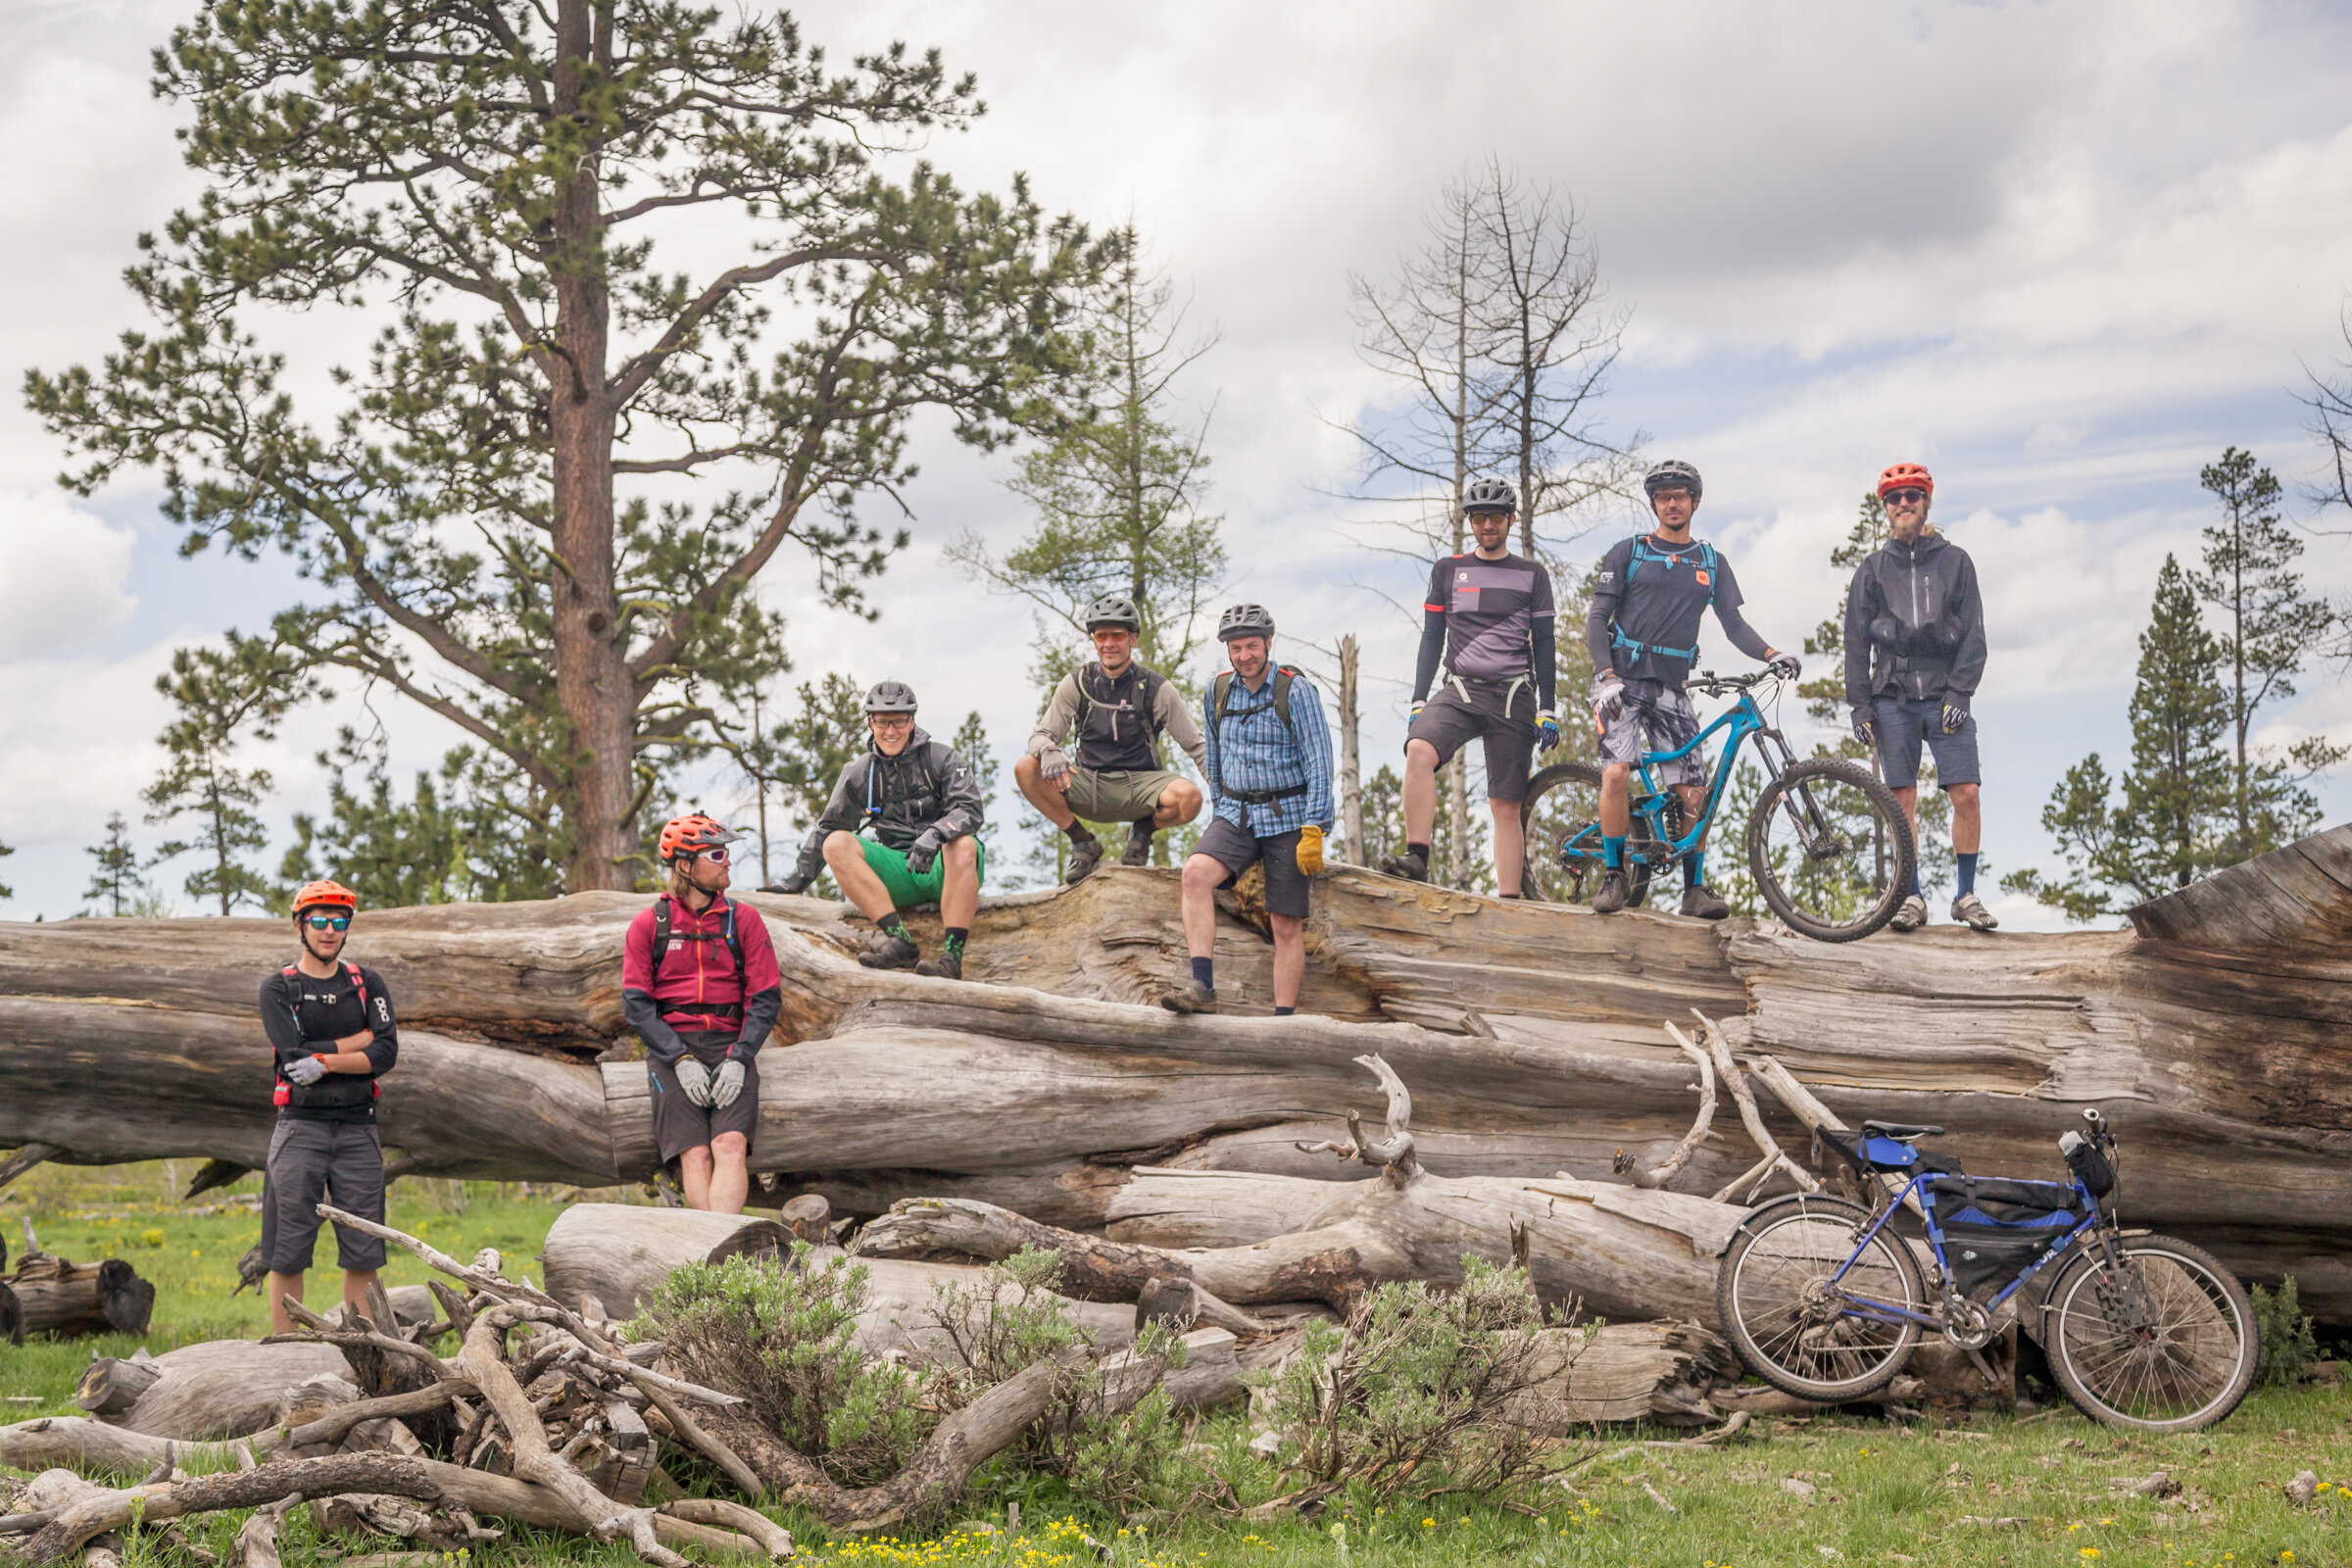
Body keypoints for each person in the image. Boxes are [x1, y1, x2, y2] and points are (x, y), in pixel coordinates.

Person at [1586, 459, 1801, 919]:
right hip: (1620, 681)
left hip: (1671, 686)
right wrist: (1606, 677)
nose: (1672, 502)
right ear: (1653, 505)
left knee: (1693, 792)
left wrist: (1770, 655)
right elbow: (1595, 620)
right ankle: (1612, 873)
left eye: (1680, 495)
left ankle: (1694, 889)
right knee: (1617, 774)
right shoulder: (1629, 552)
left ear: (1695, 502)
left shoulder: (1710, 562)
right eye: (1663, 496)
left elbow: (1734, 625)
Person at [1381, 478, 1561, 896]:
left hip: (1513, 694)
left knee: (1505, 805)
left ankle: (1509, 903)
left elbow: (1546, 643)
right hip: (1460, 690)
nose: (1486, 525)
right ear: (1470, 522)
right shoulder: (1448, 570)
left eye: (1495, 517)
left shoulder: (1532, 574)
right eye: (1478, 518)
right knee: (1418, 750)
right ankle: (1417, 858)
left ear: (1511, 520)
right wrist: (1418, 699)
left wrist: (1547, 707)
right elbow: (1431, 638)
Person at [1843, 463, 1996, 932]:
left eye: (1912, 495)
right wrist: (1860, 704)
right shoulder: (1872, 570)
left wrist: (1961, 692)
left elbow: (1974, 633)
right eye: (1895, 498)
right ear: (1885, 508)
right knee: (1901, 801)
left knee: (1966, 793)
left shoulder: (1956, 562)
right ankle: (1911, 898)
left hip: (1945, 693)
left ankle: (1965, 896)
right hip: (1892, 696)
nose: (1903, 504)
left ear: (1926, 502)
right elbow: (1855, 643)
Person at [1161, 605, 1335, 1015]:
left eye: (1252, 646)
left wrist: (1315, 828)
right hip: (1236, 814)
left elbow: (1320, 761)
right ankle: (1202, 987)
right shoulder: (1218, 690)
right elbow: (1216, 754)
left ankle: (1282, 1020)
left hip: (1289, 816)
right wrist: (1221, 805)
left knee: (1285, 923)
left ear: (1268, 644)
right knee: (1194, 874)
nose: (1244, 656)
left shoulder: (1296, 691)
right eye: (1236, 648)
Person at [621, 815, 784, 1214]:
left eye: (726, 852)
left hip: (730, 1045)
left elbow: (766, 996)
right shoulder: (651, 924)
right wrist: (678, 1058)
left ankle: (716, 1260)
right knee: (695, 1155)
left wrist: (740, 1058)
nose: (727, 860)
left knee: (729, 1145)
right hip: (672, 1049)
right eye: (716, 853)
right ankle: (716, 1262)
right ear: (684, 866)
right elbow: (636, 1004)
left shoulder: (743, 920)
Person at [257, 880, 398, 1335]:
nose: (329, 930)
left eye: (338, 922)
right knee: (288, 1249)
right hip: (300, 1130)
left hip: (358, 1130)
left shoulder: (366, 983)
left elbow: (386, 1053)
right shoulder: (279, 988)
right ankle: (286, 1349)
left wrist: (328, 1060)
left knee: (365, 1247)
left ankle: (366, 1347)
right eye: (318, 920)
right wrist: (356, 1043)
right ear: (300, 925)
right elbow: (293, 1058)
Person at [774, 681, 988, 978]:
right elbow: (829, 827)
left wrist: (937, 833)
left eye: (899, 721)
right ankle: (900, 941)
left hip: (945, 869)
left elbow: (970, 809)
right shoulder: (860, 772)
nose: (891, 730)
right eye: (882, 721)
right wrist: (795, 882)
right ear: (869, 721)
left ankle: (951, 959)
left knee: (964, 844)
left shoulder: (942, 758)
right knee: (836, 843)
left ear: (912, 720)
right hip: (898, 872)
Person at [1015, 594, 1208, 881]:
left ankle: (1143, 831)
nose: (1109, 643)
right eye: (1101, 635)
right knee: (1025, 767)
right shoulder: (1077, 684)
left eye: (1117, 635)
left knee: (1189, 798)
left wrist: (1227, 792)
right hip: (1087, 783)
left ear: (1133, 639)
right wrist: (1047, 749)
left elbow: (1197, 746)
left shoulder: (1157, 688)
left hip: (1140, 786)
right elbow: (1041, 735)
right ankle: (1082, 842)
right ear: (1093, 640)